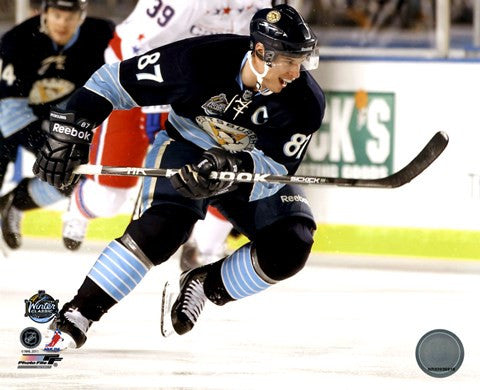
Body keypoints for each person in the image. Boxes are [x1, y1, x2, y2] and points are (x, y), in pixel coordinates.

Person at [33, 4, 324, 348]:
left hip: (246, 171)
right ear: (260, 52)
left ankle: (204, 283)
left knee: (292, 243)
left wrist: (235, 170)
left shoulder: (305, 101)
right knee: (159, 232)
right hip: (186, 149)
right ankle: (77, 314)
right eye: (289, 61)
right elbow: (113, 81)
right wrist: (76, 124)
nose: (296, 72)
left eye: (300, 61)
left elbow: (276, 168)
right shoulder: (198, 59)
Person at [62, 0, 272, 252]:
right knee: (108, 197)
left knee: (224, 176)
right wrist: (154, 104)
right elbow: (133, 43)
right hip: (134, 81)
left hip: (203, 92)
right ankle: (78, 210)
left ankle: (206, 247)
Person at [0, 0, 114, 249]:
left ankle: (16, 203)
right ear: (44, 14)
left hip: (60, 116)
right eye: (56, 15)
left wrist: (60, 146)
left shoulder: (101, 35)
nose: (62, 23)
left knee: (68, 169)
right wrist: (50, 143)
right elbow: (8, 110)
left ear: (81, 16)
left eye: (69, 15)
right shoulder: (17, 40)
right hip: (8, 118)